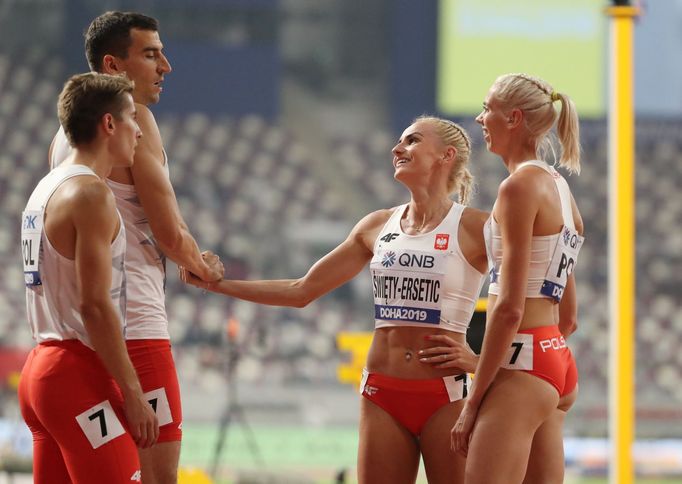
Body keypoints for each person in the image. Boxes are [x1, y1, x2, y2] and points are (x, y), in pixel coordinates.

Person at [181, 116, 489, 484]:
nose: (397, 148)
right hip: (382, 391)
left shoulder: (477, 227)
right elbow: (301, 290)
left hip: (446, 394)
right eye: (399, 141)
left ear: (445, 155)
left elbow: (535, 292)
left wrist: (481, 361)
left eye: (412, 141)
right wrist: (218, 285)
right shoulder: (377, 225)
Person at [49, 11, 224, 484]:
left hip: (76, 340)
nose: (165, 66)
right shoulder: (137, 120)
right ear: (114, 66)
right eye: (150, 54)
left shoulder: (61, 139)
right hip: (137, 331)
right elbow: (169, 233)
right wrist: (203, 265)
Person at [19, 72, 158, 483]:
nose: (139, 132)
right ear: (108, 124)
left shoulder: (46, 186)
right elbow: (94, 305)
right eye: (132, 118)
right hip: (75, 373)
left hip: (43, 370)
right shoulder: (91, 193)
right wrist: (133, 393)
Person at [451, 73, 584, 484]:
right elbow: (569, 316)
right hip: (555, 361)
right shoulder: (560, 187)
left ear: (512, 118)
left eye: (487, 109)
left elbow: (508, 309)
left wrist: (474, 400)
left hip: (524, 362)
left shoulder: (518, 188)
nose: (479, 118)